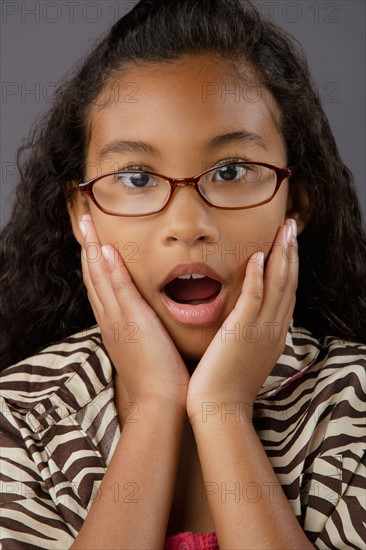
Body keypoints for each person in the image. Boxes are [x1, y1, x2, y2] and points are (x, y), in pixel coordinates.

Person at [0, 0, 365, 548]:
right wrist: (153, 405)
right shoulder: (20, 416)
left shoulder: (354, 407)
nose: (187, 224)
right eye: (137, 177)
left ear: (296, 202)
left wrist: (223, 412)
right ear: (82, 214)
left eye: (231, 171)